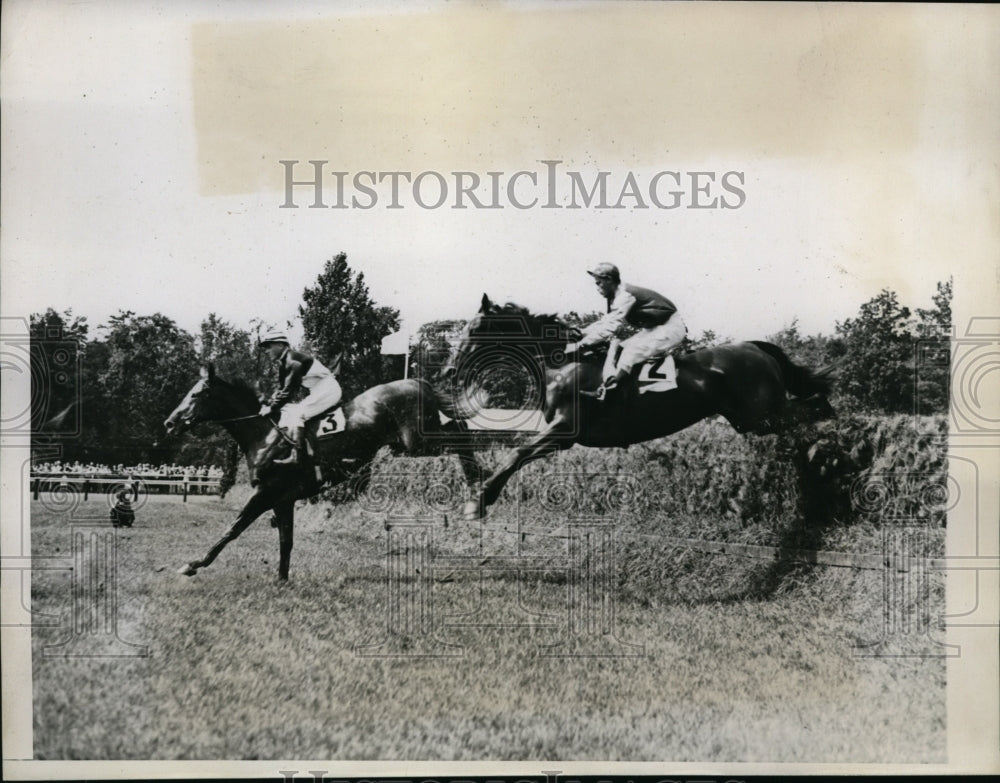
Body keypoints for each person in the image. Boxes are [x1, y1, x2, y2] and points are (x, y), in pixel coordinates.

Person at [565, 262, 686, 395]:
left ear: (609, 279)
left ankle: (610, 390)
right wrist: (583, 332)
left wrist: (581, 345)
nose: (597, 287)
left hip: (670, 327)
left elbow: (611, 327)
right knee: (620, 348)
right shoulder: (617, 295)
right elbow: (607, 321)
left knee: (630, 351)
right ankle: (615, 383)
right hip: (656, 327)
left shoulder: (624, 296)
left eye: (598, 283)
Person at [258, 331, 342, 466]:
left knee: (297, 414)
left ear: (280, 345)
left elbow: (288, 392)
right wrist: (269, 403)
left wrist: (271, 407)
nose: (266, 351)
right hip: (318, 390)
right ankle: (287, 447)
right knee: (286, 411)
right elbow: (281, 389)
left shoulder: (292, 361)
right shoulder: (284, 362)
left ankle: (298, 455)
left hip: (328, 390)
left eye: (268, 346)